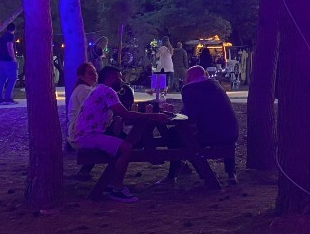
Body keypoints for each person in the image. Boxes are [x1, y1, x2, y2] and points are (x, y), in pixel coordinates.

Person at [73, 66, 168, 202]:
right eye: (119, 77)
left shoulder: (99, 89)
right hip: (89, 136)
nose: (121, 81)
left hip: (85, 134)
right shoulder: (107, 90)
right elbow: (125, 114)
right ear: (111, 78)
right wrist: (154, 115)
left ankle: (112, 183)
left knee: (124, 144)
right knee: (126, 148)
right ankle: (117, 188)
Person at [161, 66, 239, 185]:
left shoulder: (189, 88)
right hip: (231, 133)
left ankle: (173, 175)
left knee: (175, 136)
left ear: (191, 76)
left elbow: (188, 115)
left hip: (211, 135)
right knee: (182, 134)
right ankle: (231, 174)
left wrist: (170, 113)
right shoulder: (216, 85)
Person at [68, 62, 99, 150]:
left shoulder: (85, 88)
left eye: (95, 72)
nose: (94, 75)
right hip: (81, 131)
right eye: (90, 73)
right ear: (81, 76)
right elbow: (93, 110)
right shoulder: (85, 90)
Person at [0, 23, 18, 104]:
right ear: (14, 29)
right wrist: (13, 58)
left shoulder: (2, 36)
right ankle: (8, 97)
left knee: (2, 78)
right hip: (8, 60)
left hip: (0, 59)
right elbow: (10, 47)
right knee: (13, 77)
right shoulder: (10, 36)